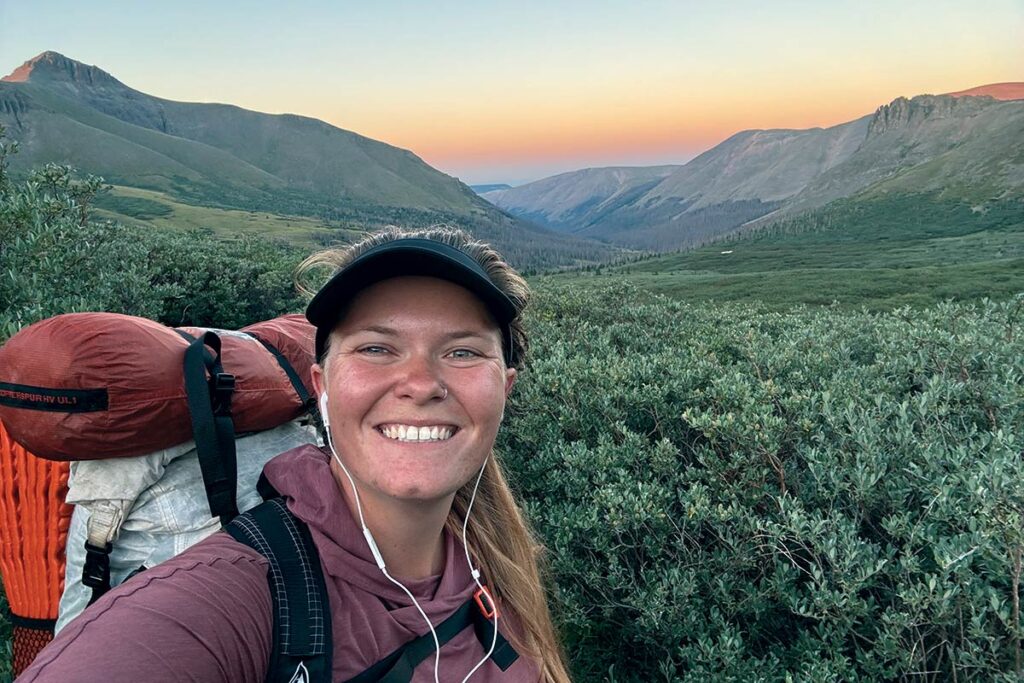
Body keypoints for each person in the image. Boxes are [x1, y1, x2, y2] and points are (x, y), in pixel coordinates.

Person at [18, 227, 572, 682]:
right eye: (377, 348)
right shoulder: (229, 599)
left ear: (506, 385)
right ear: (322, 385)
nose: (420, 382)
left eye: (462, 351)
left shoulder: (494, 563)